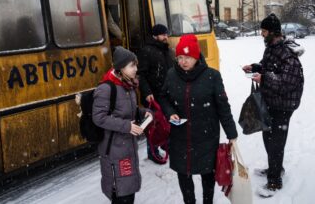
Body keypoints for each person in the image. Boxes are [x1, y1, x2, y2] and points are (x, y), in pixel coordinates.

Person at [159, 34, 238, 204]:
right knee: (183, 173)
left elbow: (223, 106)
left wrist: (231, 133)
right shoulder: (172, 75)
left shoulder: (212, 76)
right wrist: (170, 112)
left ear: (196, 56)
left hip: (206, 136)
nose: (183, 61)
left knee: (207, 174)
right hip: (180, 137)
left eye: (187, 57)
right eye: (180, 57)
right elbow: (163, 97)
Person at [242, 13, 304, 198]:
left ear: (273, 32)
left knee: (276, 142)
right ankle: (275, 168)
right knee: (268, 137)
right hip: (271, 101)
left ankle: (275, 181)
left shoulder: (287, 53)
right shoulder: (271, 48)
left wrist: (265, 78)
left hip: (284, 104)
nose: (262, 34)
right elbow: (267, 66)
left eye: (264, 31)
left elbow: (288, 81)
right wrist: (255, 68)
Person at [93, 46, 152, 204]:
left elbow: (127, 111)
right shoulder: (106, 88)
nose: (136, 69)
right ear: (121, 68)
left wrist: (142, 113)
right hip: (114, 150)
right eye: (132, 65)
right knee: (121, 193)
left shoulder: (128, 86)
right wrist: (126, 126)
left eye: (136, 65)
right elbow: (98, 117)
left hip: (126, 147)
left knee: (127, 190)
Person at [137, 24, 174, 164]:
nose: (166, 37)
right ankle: (152, 152)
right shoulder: (146, 51)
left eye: (166, 34)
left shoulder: (167, 50)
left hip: (166, 94)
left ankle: (167, 145)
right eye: (163, 34)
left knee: (166, 123)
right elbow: (141, 75)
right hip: (153, 95)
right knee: (153, 125)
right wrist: (146, 92)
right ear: (155, 35)